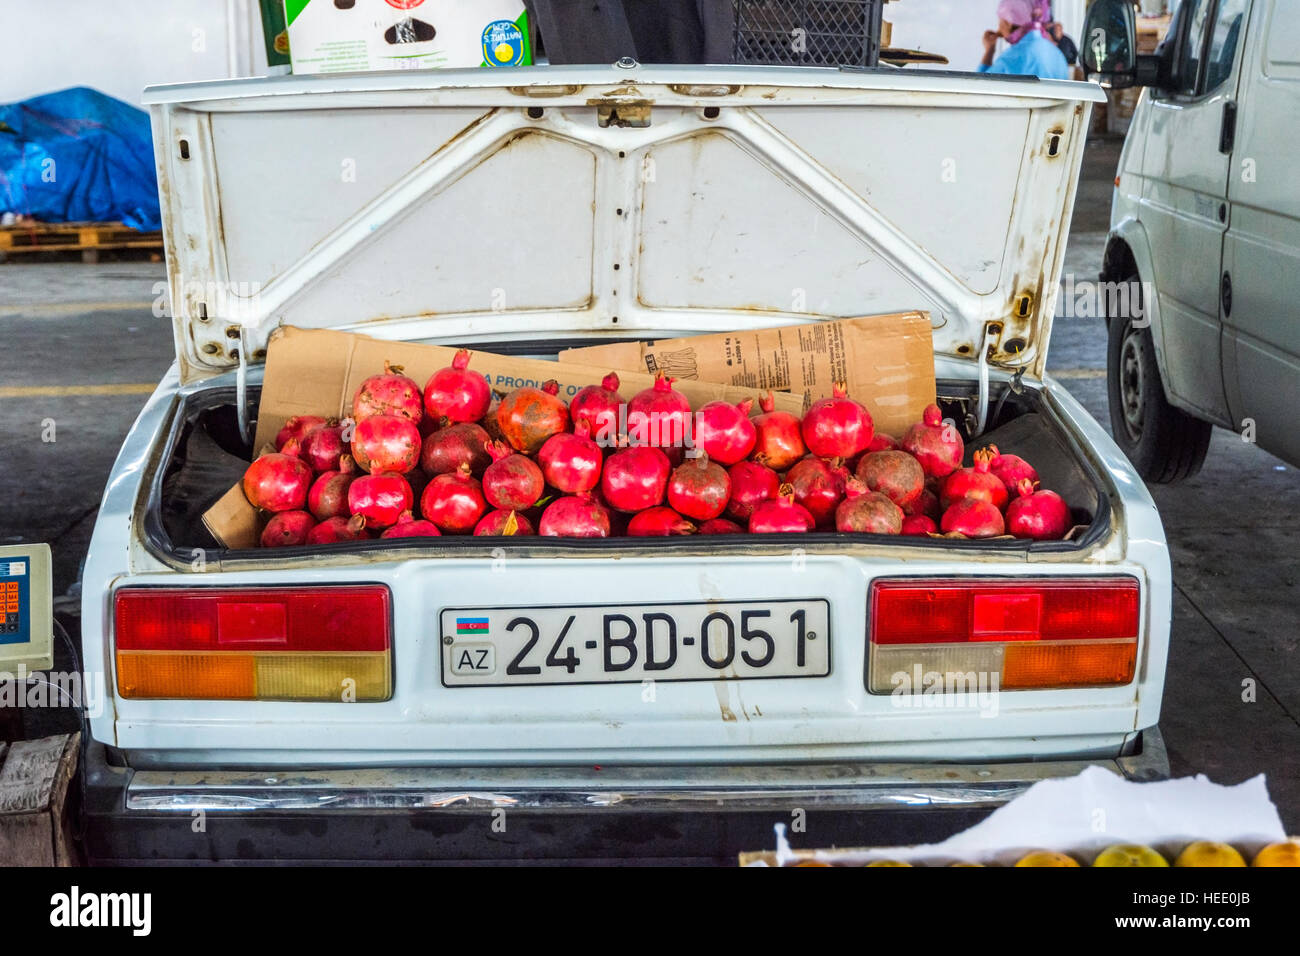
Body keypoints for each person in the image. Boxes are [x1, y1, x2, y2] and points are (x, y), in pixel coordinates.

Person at [978, 0, 1070, 80]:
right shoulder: (1057, 54)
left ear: (1008, 23)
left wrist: (989, 52)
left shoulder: (1012, 57)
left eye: (1000, 20)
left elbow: (978, 87)